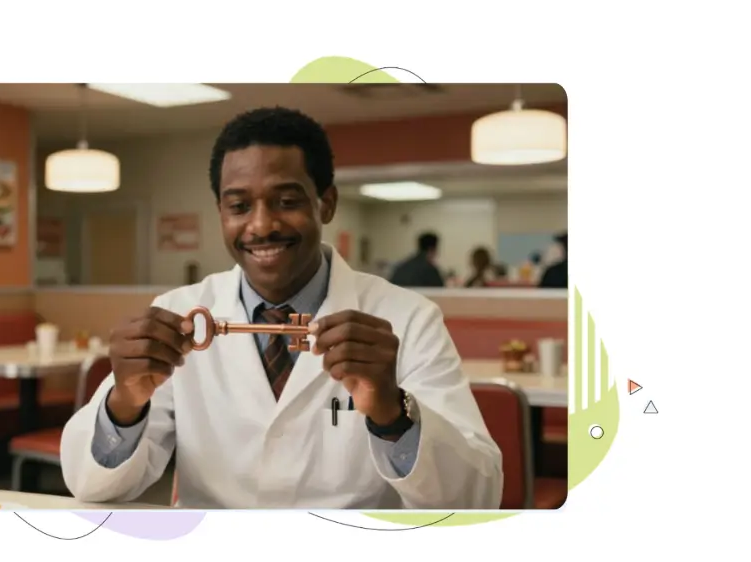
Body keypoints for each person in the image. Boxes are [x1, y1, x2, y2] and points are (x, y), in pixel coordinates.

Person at [60, 107, 502, 510]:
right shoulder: (179, 314)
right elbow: (91, 486)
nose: (261, 225)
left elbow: (476, 497)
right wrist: (124, 402)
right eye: (239, 206)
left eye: (287, 202)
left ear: (326, 203)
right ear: (221, 212)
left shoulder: (408, 318)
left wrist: (392, 414)